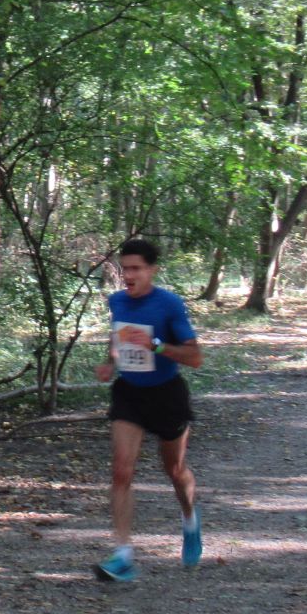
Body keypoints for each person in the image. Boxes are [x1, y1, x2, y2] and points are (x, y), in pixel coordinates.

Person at [91, 237, 204, 582]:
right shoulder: (117, 301)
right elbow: (118, 338)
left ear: (152, 270)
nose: (129, 275)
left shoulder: (169, 304)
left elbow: (195, 358)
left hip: (167, 394)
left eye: (136, 268)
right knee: (121, 471)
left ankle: (190, 520)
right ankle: (123, 556)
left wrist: (155, 345)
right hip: (129, 393)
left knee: (175, 470)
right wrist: (110, 362)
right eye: (125, 268)